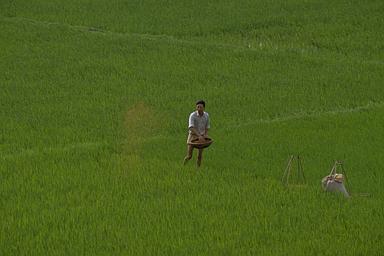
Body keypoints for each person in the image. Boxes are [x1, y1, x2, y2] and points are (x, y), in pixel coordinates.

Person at [183, 100, 210, 167]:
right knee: (189, 156)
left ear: (204, 108)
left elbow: (207, 126)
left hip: (202, 137)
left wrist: (205, 135)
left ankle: (198, 170)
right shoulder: (193, 115)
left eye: (200, 107)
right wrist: (198, 135)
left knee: (199, 156)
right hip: (193, 136)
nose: (199, 109)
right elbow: (191, 127)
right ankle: (183, 166)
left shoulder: (206, 115)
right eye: (198, 107)